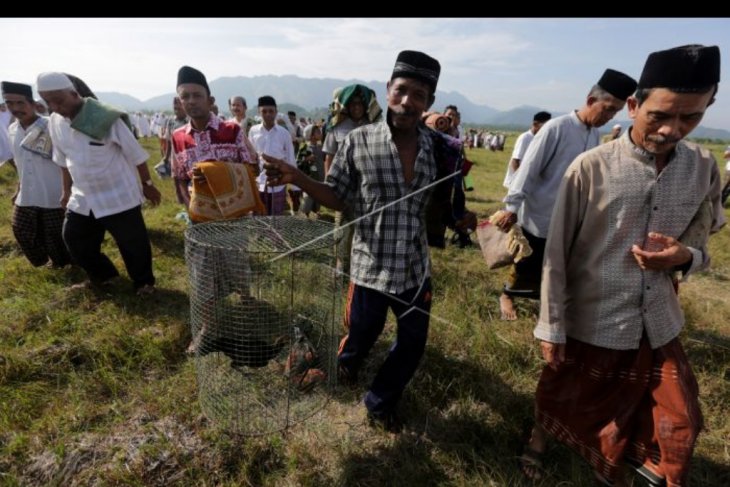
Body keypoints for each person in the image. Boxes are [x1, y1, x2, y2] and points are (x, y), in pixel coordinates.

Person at [520, 44, 725, 487]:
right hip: (592, 314)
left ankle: (626, 472)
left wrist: (686, 256)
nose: (672, 130)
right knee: (563, 392)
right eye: (659, 116)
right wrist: (551, 326)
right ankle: (538, 441)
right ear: (634, 106)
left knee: (681, 421)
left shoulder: (704, 167)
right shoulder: (590, 168)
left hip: (659, 320)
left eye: (690, 118)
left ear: (708, 107)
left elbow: (702, 233)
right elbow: (555, 254)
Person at [263, 50, 443, 433]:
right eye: (402, 90)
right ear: (387, 91)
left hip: (413, 267)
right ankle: (345, 366)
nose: (408, 101)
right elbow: (338, 196)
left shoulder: (438, 148)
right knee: (361, 332)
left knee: (411, 345)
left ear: (430, 102)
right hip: (368, 266)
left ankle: (379, 403)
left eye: (420, 95)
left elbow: (442, 203)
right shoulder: (358, 141)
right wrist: (297, 177)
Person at [496, 68, 637, 320]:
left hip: (568, 214)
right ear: (591, 100)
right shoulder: (556, 128)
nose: (609, 116)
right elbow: (528, 169)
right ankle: (507, 295)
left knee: (556, 264)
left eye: (615, 112)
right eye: (607, 108)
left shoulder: (593, 135)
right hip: (540, 211)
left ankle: (545, 301)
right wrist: (511, 207)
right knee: (526, 260)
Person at [37, 72, 160, 296]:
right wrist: (66, 191)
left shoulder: (104, 117)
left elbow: (136, 155)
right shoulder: (55, 122)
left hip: (118, 193)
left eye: (59, 100)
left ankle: (144, 283)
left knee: (133, 244)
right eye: (48, 102)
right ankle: (105, 276)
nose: (54, 106)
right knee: (74, 239)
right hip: (83, 196)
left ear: (74, 94)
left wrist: (148, 184)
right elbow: (63, 160)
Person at [2, 81, 71, 269]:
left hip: (54, 193)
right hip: (27, 195)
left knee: (54, 235)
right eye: (9, 103)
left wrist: (67, 191)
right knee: (21, 229)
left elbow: (67, 162)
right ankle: (44, 263)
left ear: (33, 104)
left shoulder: (51, 126)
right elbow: (20, 163)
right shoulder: (12, 130)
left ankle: (64, 266)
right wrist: (18, 189)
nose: (15, 108)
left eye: (20, 103)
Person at [171, 66, 257, 211]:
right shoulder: (178, 137)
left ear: (210, 101)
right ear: (180, 102)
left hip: (235, 213)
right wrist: (191, 210)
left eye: (197, 95)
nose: (191, 101)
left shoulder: (232, 131)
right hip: (199, 216)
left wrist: (215, 173)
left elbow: (253, 168)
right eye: (185, 96)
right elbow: (180, 177)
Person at [323, 84, 383, 274]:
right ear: (347, 106)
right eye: (353, 103)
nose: (357, 107)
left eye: (360, 103)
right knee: (341, 228)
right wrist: (328, 185)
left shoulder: (376, 126)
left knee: (367, 227)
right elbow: (329, 157)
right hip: (342, 186)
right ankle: (341, 266)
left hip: (368, 188)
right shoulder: (337, 127)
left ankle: (363, 266)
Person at [248, 96, 297, 215]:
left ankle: (274, 234)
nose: (268, 114)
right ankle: (260, 234)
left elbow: (291, 159)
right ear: (259, 112)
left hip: (278, 183)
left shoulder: (284, 133)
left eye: (271, 111)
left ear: (276, 112)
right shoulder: (253, 131)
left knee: (276, 219)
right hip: (259, 183)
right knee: (259, 218)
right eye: (264, 111)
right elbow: (251, 156)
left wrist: (295, 188)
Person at [502, 111, 551, 189]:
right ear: (535, 124)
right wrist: (519, 180)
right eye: (544, 126)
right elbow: (515, 161)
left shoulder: (540, 139)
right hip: (517, 182)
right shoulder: (525, 138)